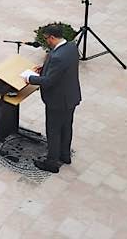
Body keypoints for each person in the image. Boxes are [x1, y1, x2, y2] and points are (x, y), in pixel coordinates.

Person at [20, 24, 81, 174]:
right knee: (67, 126)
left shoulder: (57, 56)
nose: (46, 41)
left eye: (47, 38)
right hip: (71, 96)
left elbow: (49, 81)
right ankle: (65, 155)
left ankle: (52, 162)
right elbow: (61, 70)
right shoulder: (72, 47)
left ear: (52, 37)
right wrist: (45, 68)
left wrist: (30, 78)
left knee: (53, 130)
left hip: (58, 101)